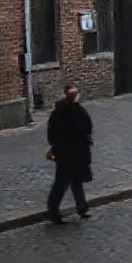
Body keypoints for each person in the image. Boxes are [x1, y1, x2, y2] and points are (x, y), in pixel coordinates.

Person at [46, 83, 93, 224]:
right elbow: (87, 129)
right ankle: (55, 212)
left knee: (70, 182)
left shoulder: (57, 112)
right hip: (73, 153)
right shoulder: (78, 112)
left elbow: (51, 135)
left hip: (64, 153)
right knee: (65, 183)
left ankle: (80, 208)